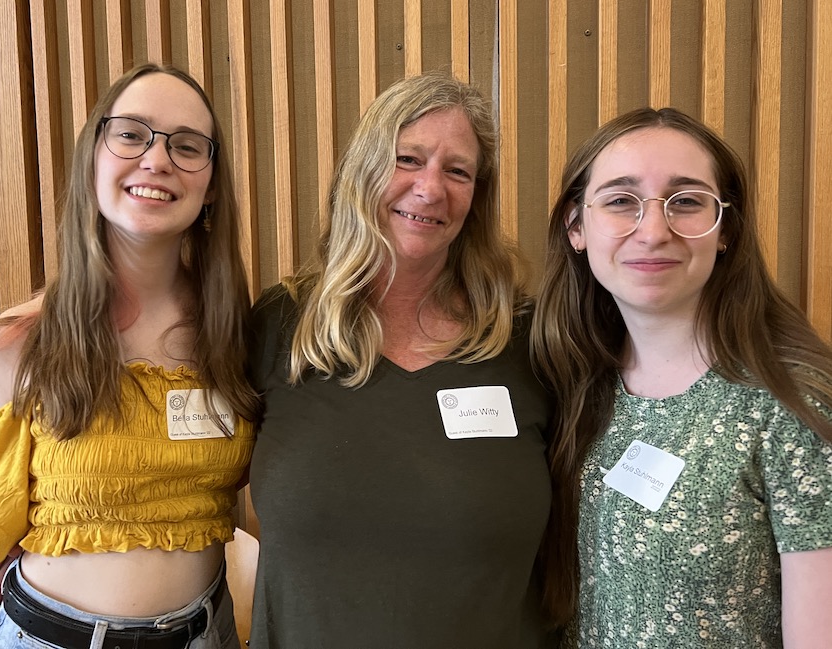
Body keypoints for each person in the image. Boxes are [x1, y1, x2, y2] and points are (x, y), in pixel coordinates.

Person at [0, 62, 259, 649]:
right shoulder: (21, 345)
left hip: (205, 633)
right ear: (95, 155)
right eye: (131, 134)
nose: (157, 160)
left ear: (212, 184)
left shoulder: (238, 335)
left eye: (187, 145)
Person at [247, 72, 553, 648]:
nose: (430, 188)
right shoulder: (280, 325)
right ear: (363, 170)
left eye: (457, 171)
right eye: (407, 158)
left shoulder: (530, 339)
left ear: (477, 196)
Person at [532, 107, 832, 647]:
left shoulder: (792, 406)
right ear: (577, 227)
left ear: (726, 232)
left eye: (687, 202)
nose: (653, 231)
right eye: (622, 201)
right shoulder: (573, 385)